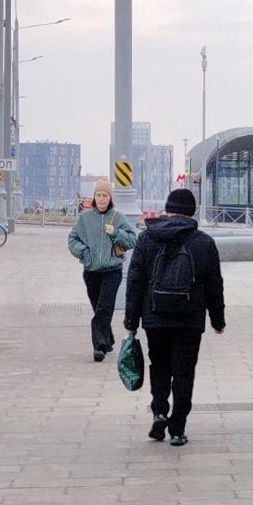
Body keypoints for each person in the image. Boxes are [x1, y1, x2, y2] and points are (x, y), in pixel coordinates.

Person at [122, 187, 224, 447]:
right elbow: (214, 284)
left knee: (159, 365)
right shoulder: (203, 242)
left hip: (155, 316)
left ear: (167, 209)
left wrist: (131, 319)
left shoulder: (147, 239)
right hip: (190, 319)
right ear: (192, 212)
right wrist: (218, 319)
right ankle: (177, 428)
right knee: (184, 372)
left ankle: (159, 412)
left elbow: (135, 281)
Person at [65, 180, 139, 362]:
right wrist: (85, 253)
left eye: (105, 195)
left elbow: (132, 239)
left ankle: (99, 346)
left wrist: (116, 233)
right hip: (91, 272)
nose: (101, 199)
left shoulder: (118, 217)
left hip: (112, 271)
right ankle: (108, 338)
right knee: (98, 308)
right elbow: (72, 240)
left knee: (104, 307)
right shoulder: (85, 218)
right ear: (94, 197)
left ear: (110, 197)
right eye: (98, 195)